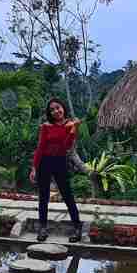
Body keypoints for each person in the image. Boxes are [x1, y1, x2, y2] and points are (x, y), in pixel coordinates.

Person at [29, 98, 84, 242]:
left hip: (60, 161)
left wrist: (74, 129)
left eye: (57, 107)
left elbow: (66, 146)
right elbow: (40, 148)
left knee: (67, 195)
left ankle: (77, 227)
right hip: (44, 162)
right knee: (43, 197)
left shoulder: (70, 125)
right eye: (52, 110)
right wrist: (34, 168)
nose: (55, 111)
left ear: (63, 107)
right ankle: (42, 228)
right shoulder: (45, 126)